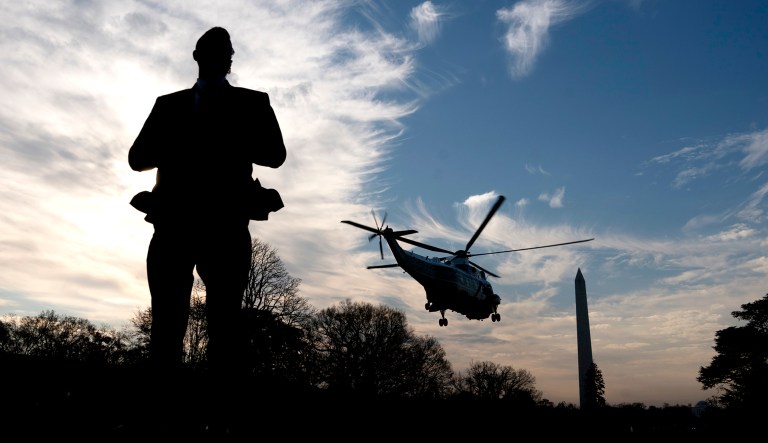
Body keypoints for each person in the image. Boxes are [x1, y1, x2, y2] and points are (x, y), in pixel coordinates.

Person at [128, 26, 286, 418]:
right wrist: (185, 139)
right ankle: (160, 416)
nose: (220, 60)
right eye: (213, 53)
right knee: (166, 326)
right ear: (197, 57)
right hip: (174, 226)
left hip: (225, 227)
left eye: (224, 54)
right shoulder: (169, 105)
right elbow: (137, 159)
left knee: (226, 327)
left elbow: (275, 155)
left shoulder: (252, 102)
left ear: (230, 61)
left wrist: (224, 134)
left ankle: (221, 418)